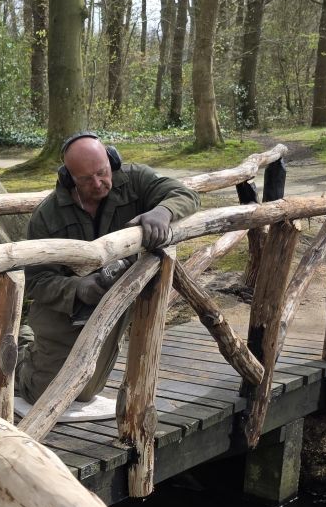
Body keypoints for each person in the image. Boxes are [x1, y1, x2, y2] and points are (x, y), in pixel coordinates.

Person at [16, 133, 200, 404]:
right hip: (65, 310)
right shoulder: (47, 215)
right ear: (69, 178)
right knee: (47, 392)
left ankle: (29, 344)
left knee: (86, 390)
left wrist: (163, 212)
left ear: (112, 160)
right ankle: (20, 360)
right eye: (86, 179)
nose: (98, 183)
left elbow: (186, 194)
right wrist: (78, 289)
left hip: (116, 303)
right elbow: (37, 281)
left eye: (102, 173)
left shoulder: (135, 179)